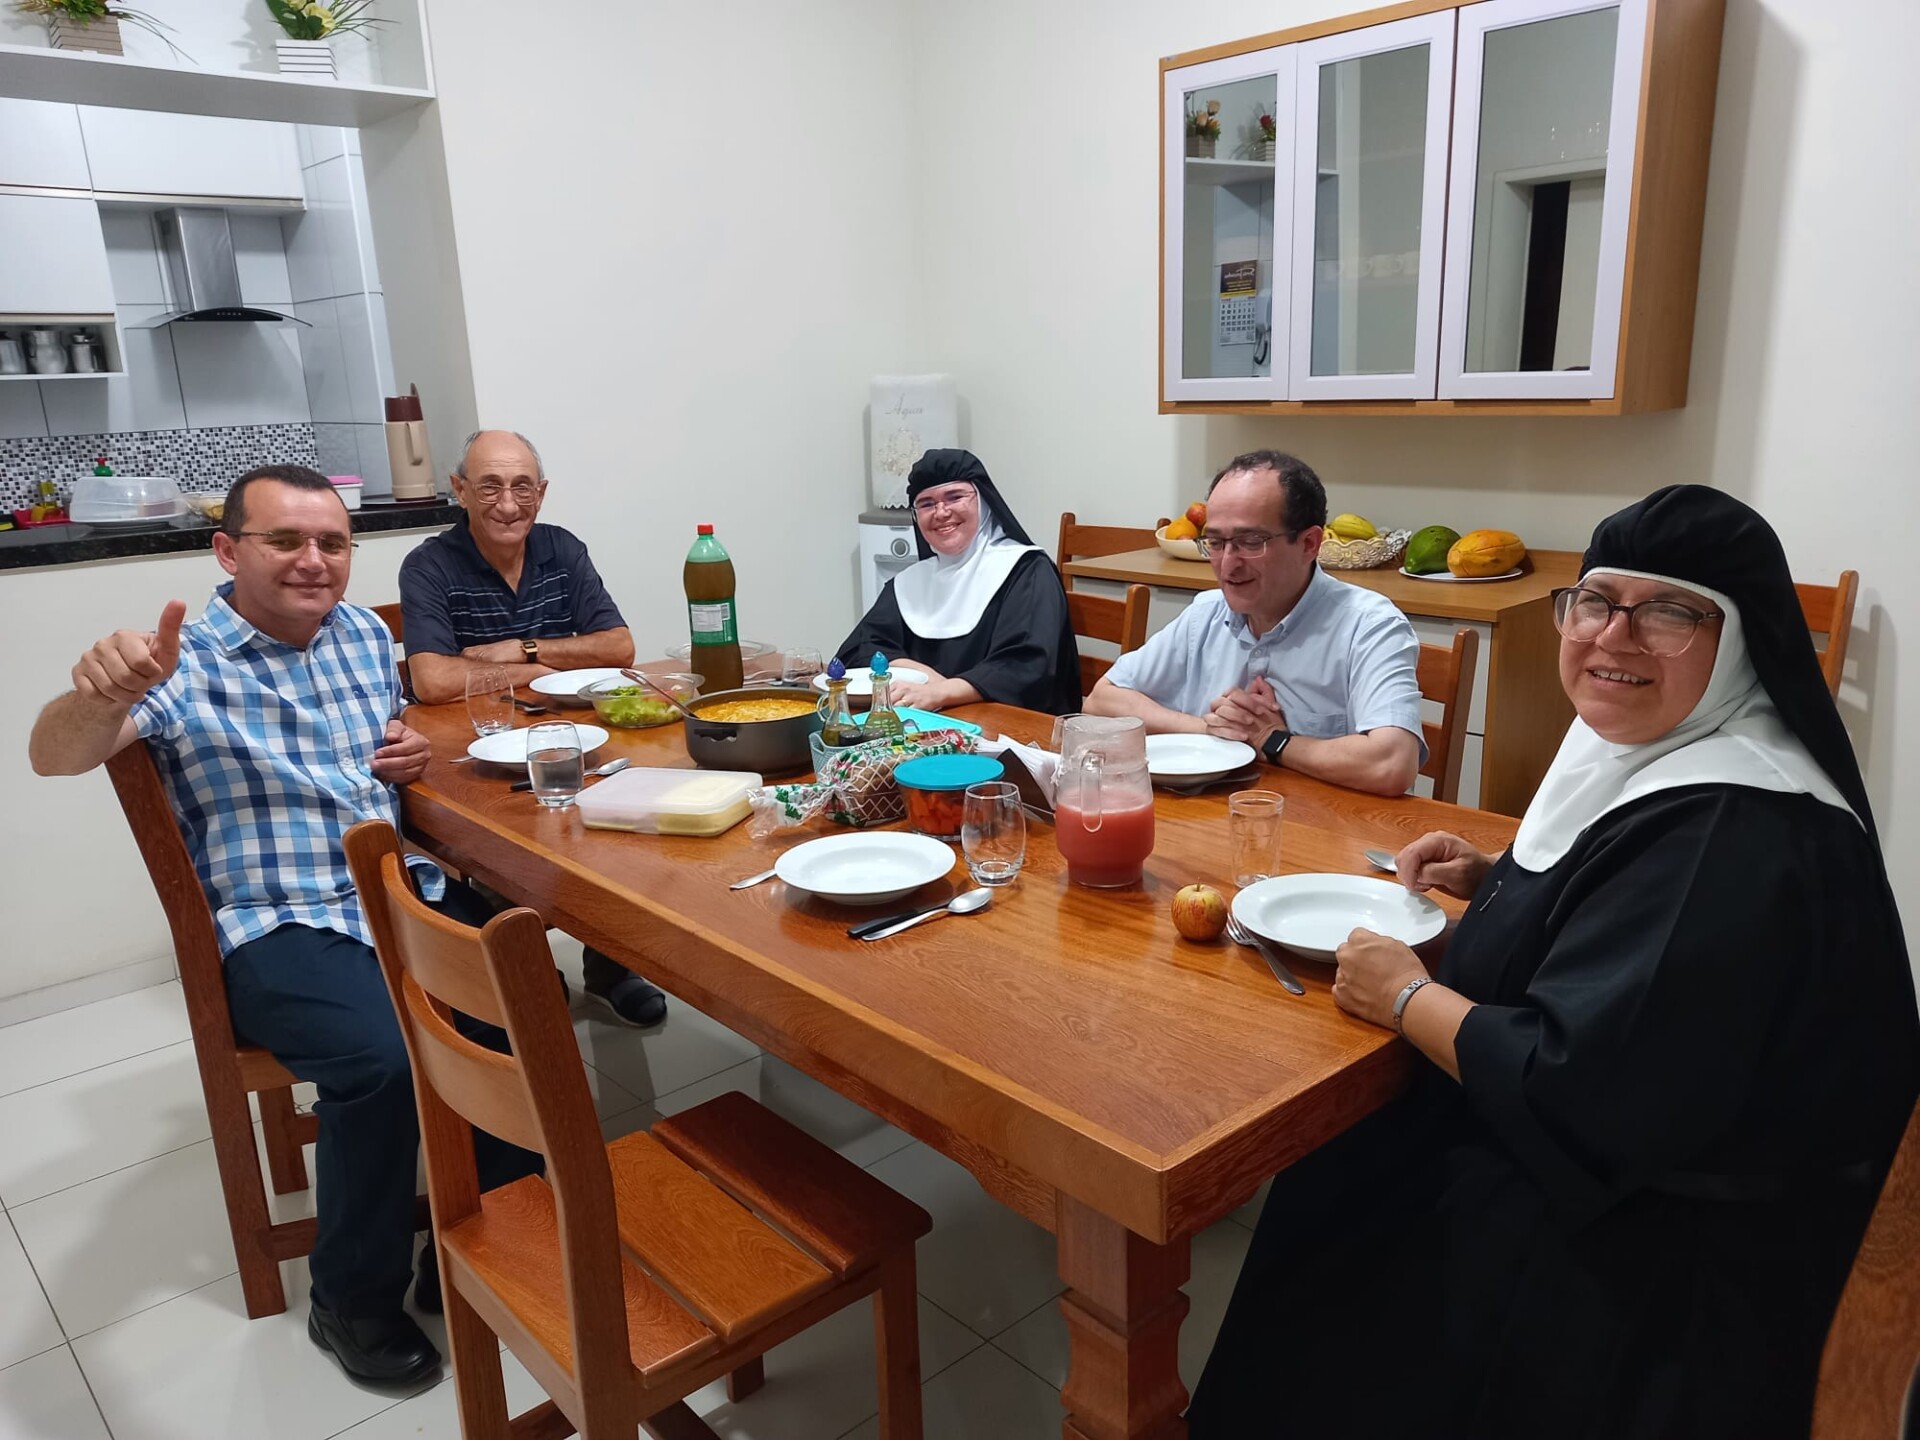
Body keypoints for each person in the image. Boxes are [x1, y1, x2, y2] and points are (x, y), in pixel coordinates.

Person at [1187, 485, 1920, 1439]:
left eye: (1668, 612)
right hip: (1630, 1157)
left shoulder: (1737, 826)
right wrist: (1502, 878)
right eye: (1596, 601)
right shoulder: (1674, 744)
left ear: (1740, 642)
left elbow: (1586, 1090)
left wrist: (1406, 996)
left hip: (1668, 1255)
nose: (1615, 637)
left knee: (1346, 1221)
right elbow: (1629, 913)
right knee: (1343, 1168)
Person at [27, 465, 542, 1390]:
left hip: (394, 887)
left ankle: (482, 1236)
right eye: (286, 540)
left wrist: (404, 751)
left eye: (333, 543)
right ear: (229, 551)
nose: (314, 560)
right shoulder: (181, 663)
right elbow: (53, 756)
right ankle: (351, 1299)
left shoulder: (359, 635)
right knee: (382, 1063)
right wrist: (99, 695)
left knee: (520, 997)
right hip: (277, 921)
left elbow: (375, 746)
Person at [399, 429, 665, 1028]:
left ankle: (610, 963)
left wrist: (520, 648)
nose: (508, 504)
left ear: (541, 493)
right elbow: (433, 679)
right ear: (460, 490)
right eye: (489, 486)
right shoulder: (429, 564)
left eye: (523, 487)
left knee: (622, 814)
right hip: (478, 749)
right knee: (505, 843)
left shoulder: (561, 549)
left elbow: (618, 646)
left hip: (573, 737)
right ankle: (525, 969)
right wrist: (536, 670)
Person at [1086, 450, 1423, 797]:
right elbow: (1101, 702)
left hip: (1320, 823)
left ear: (1309, 544)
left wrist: (1274, 740)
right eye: (1215, 543)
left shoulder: (1369, 626)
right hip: (1207, 816)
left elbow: (1392, 763)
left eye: (1250, 542)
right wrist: (1212, 730)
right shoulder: (1206, 612)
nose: (1227, 565)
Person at [836, 449, 1080, 715]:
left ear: (983, 502)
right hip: (926, 721)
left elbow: (1027, 667)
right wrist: (923, 675)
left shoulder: (1027, 571)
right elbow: (858, 651)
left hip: (1009, 726)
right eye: (926, 503)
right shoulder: (908, 582)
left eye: (955, 497)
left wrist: (941, 692)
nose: (941, 512)